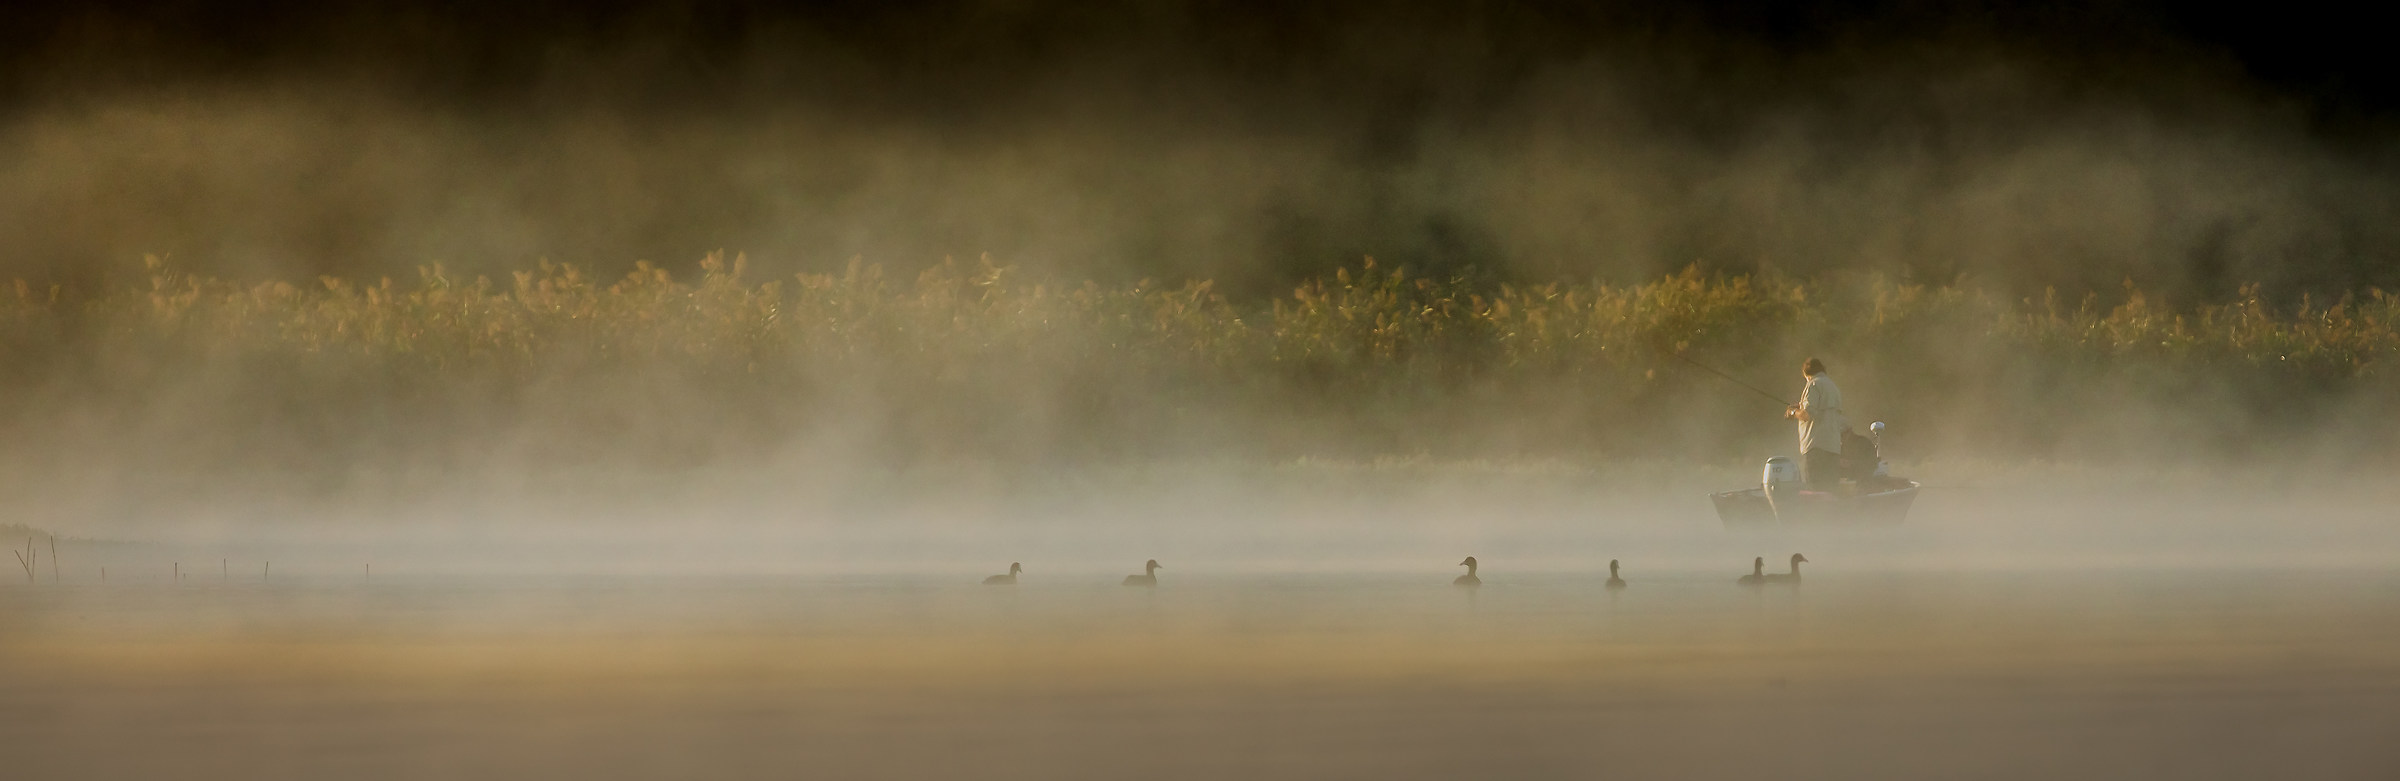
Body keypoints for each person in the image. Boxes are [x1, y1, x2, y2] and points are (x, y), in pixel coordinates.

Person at [1784, 357, 1848, 491]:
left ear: (1807, 374)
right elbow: (1821, 410)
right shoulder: (1833, 387)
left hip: (1815, 448)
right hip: (1833, 448)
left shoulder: (1813, 384)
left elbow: (1806, 415)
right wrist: (1801, 405)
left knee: (1815, 492)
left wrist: (1792, 412)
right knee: (1830, 492)